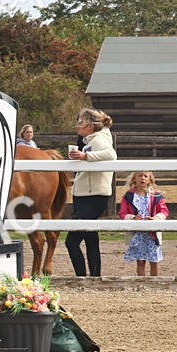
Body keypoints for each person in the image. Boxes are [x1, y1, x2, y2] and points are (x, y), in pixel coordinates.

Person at [65, 108, 116, 277]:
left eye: (81, 121)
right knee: (90, 238)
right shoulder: (89, 140)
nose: (78, 125)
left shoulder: (99, 139)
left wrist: (85, 157)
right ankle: (95, 276)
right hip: (84, 194)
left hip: (93, 195)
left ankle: (82, 276)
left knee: (71, 241)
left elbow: (110, 155)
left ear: (90, 125)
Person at [119, 171, 168, 276]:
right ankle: (141, 281)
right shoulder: (129, 196)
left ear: (149, 179)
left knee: (154, 261)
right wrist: (133, 218)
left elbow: (164, 211)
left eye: (146, 176)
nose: (143, 178)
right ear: (134, 179)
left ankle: (154, 282)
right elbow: (123, 213)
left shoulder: (156, 195)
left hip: (152, 234)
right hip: (138, 234)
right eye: (140, 176)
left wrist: (156, 218)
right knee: (140, 262)